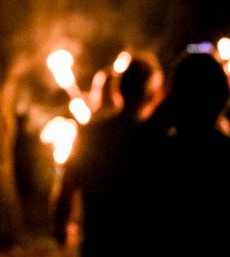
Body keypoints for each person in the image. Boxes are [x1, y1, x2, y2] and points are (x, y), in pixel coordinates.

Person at [140, 52, 230, 257]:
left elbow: (141, 142)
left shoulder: (161, 155)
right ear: (222, 96)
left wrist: (170, 103)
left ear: (175, 98)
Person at [54, 53, 163, 257]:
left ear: (118, 90)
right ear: (153, 94)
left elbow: (67, 185)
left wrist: (62, 226)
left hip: (98, 246)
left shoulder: (92, 135)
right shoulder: (156, 139)